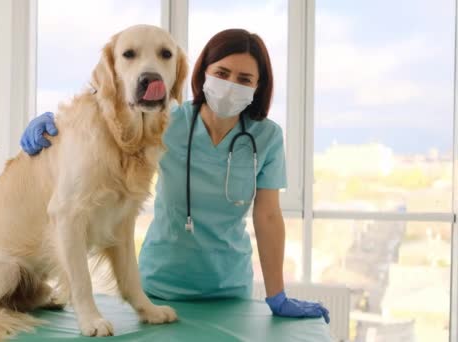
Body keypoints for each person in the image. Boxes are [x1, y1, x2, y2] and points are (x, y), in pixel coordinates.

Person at [20, 29, 329, 323]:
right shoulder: (167, 120)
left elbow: (269, 216)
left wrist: (276, 295)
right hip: (159, 286)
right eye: (222, 73)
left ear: (258, 87)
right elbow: (112, 111)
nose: (231, 84)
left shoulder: (267, 136)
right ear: (203, 72)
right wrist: (60, 124)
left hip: (229, 290)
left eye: (244, 79)